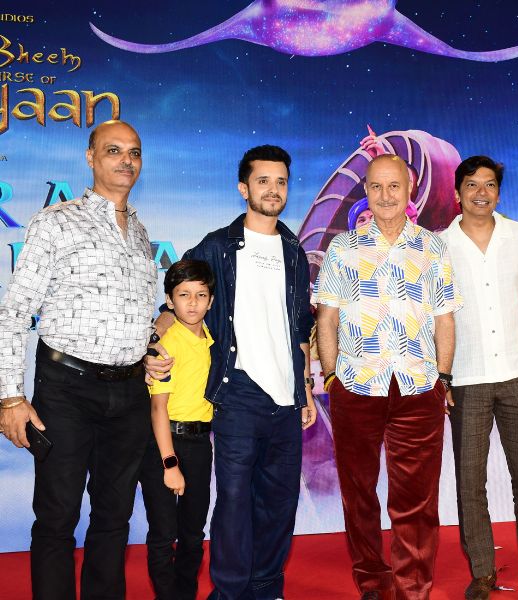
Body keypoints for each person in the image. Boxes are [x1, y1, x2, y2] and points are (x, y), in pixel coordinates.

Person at [145, 144, 317, 600]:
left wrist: (305, 387)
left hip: (286, 399)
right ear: (244, 188)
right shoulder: (216, 246)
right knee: (235, 504)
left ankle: (267, 588)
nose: (273, 189)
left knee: (280, 504)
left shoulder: (295, 250)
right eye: (263, 181)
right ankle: (230, 592)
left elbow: (300, 327)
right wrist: (153, 345)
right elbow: (177, 299)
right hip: (237, 392)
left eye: (281, 181)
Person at [0, 120, 157, 599]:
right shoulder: (55, 222)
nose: (126, 160)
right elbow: (14, 311)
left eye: (134, 152)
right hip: (66, 390)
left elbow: (132, 314)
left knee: (114, 517)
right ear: (90, 157)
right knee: (57, 516)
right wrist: (10, 397)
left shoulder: (140, 232)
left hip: (129, 395)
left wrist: (150, 349)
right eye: (113, 150)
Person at [314, 154, 462, 600]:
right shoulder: (343, 248)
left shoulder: (432, 247)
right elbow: (327, 318)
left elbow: (445, 319)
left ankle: (412, 588)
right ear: (365, 191)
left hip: (418, 388)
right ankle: (373, 582)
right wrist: (331, 377)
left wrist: (443, 378)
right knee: (358, 495)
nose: (385, 196)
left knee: (417, 500)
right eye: (376, 187)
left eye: (393, 186)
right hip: (356, 387)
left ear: (409, 189)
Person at [440, 156, 518, 600]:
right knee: (470, 484)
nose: (481, 193)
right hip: (466, 377)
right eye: (472, 185)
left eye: (490, 185)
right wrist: (443, 376)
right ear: (457, 192)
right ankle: (483, 572)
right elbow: (436, 315)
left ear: (498, 191)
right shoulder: (439, 245)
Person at [140, 259, 216, 600]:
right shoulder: (166, 344)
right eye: (183, 295)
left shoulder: (211, 339)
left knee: (193, 533)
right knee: (163, 533)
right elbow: (158, 407)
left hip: (200, 444)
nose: (193, 303)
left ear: (210, 301)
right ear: (169, 301)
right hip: (164, 444)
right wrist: (169, 463)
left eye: (201, 295)